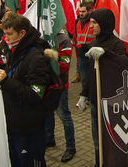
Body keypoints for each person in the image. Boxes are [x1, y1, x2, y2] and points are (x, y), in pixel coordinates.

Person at [0, 12, 50, 167]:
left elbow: (34, 95)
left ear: (22, 33)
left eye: (9, 34)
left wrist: (6, 81)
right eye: (4, 34)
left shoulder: (35, 57)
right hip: (15, 120)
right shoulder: (14, 50)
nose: (6, 38)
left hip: (29, 125)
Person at [76, 8, 127, 167]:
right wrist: (84, 94)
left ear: (104, 24)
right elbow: (91, 73)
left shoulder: (117, 44)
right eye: (90, 22)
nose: (91, 26)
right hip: (96, 101)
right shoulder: (93, 42)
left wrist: (106, 53)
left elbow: (124, 64)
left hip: (112, 102)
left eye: (94, 23)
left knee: (115, 141)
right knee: (97, 141)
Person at [44, 30, 77, 163]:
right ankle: (49, 139)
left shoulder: (64, 39)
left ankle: (71, 147)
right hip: (46, 83)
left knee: (64, 115)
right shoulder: (43, 36)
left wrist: (43, 65)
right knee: (47, 112)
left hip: (60, 84)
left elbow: (65, 65)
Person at [72, 3, 93, 91]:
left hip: (91, 53)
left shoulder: (93, 21)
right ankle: (85, 96)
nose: (81, 13)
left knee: (92, 77)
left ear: (89, 11)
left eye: (83, 11)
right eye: (80, 11)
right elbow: (77, 36)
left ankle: (92, 96)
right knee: (84, 78)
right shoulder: (77, 21)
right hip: (81, 54)